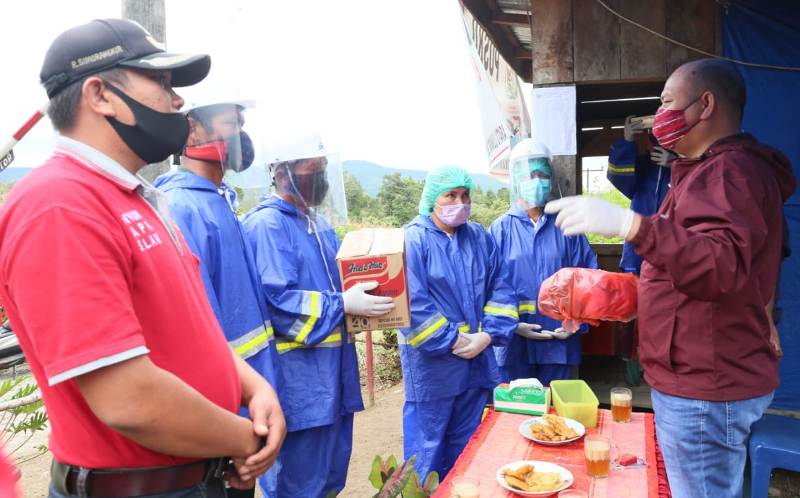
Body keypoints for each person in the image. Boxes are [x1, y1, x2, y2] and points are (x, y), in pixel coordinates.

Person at [0, 19, 285, 497]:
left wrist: (254, 387)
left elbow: (184, 331)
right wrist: (245, 438)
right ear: (101, 94)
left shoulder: (135, 198)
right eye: (162, 82)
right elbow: (128, 399)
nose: (176, 102)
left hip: (194, 476)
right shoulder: (59, 205)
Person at [545, 58, 797, 498]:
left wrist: (633, 226)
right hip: (712, 372)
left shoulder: (728, 172)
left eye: (666, 101)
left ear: (705, 105)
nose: (659, 113)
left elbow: (719, 266)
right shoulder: (709, 172)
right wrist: (601, 298)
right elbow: (746, 271)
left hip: (705, 383)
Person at [242, 133, 392, 498]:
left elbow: (344, 283)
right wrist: (342, 304)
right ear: (281, 172)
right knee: (298, 485)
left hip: (335, 382)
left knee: (329, 482)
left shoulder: (319, 225)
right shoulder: (267, 225)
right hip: (300, 387)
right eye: (313, 169)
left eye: (324, 169)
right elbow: (277, 302)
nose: (321, 179)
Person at [153, 93, 283, 498]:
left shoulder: (216, 201)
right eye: (232, 123)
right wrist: (229, 430)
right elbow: (197, 328)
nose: (241, 135)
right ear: (193, 129)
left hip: (245, 408)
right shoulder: (181, 205)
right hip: (222, 419)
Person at [400, 166, 518, 480]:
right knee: (425, 454)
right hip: (432, 368)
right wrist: (450, 340)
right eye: (450, 195)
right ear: (431, 199)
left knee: (466, 448)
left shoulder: (478, 236)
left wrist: (488, 336)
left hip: (475, 362)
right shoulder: (412, 240)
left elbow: (501, 286)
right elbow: (411, 303)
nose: (459, 202)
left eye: (465, 195)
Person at [489, 140, 597, 385]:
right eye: (530, 175)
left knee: (554, 416)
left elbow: (588, 278)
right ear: (516, 179)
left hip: (558, 340)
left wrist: (576, 322)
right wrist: (512, 325)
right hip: (513, 342)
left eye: (542, 174)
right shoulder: (500, 229)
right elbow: (490, 284)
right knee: (514, 414)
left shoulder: (567, 225)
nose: (537, 180)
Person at [607, 116, 673, 273]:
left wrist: (676, 163)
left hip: (672, 253)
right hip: (637, 254)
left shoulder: (687, 165)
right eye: (653, 134)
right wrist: (627, 140)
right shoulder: (641, 165)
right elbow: (617, 177)